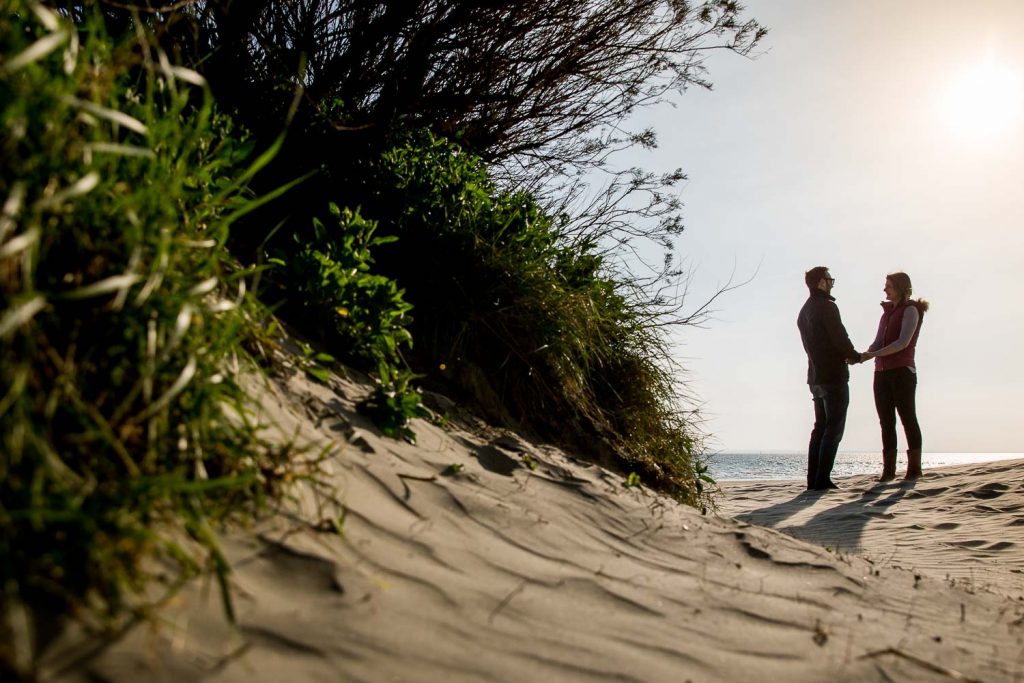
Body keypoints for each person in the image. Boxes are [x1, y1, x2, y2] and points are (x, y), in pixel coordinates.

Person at [858, 272, 929, 481]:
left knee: (908, 418)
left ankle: (914, 469)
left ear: (900, 287)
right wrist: (861, 356)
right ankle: (888, 471)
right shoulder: (886, 314)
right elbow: (877, 342)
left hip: (902, 372)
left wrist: (873, 354)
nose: (884, 289)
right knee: (886, 421)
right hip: (881, 373)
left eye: (888, 286)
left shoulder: (911, 310)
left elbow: (902, 343)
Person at [798, 267, 861, 490]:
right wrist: (854, 356)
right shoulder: (826, 306)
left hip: (815, 376)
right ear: (821, 282)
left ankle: (813, 480)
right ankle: (822, 479)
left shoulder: (804, 311)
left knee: (820, 427)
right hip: (832, 374)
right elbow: (839, 336)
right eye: (830, 279)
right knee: (833, 428)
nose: (832, 283)